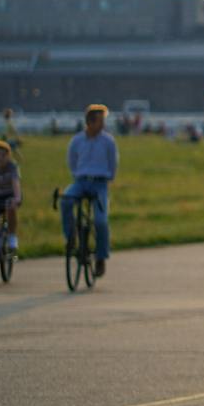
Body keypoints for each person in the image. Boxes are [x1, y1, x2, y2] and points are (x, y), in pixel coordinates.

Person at [60, 104, 119, 277]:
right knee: (66, 200)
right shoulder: (77, 140)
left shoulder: (108, 141)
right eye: (100, 121)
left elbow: (113, 162)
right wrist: (78, 175)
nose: (103, 124)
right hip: (80, 181)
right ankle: (71, 237)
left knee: (100, 221)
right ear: (90, 122)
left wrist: (108, 178)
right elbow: (71, 161)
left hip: (100, 183)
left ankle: (101, 257)